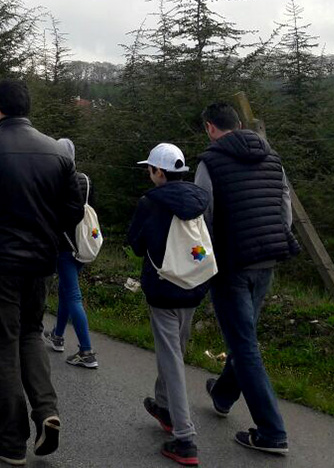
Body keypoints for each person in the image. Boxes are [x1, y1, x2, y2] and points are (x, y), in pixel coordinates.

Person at [0, 79, 83, 465]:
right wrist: (46, 233)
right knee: (30, 333)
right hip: (39, 263)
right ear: (27, 109)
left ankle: (10, 439)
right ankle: (46, 410)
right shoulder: (57, 153)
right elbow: (73, 210)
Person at [196, 103, 295, 455]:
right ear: (238, 124)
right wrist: (278, 237)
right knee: (245, 336)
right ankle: (222, 394)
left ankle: (272, 431)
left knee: (244, 345)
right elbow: (285, 206)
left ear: (210, 127)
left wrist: (203, 262)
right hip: (267, 258)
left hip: (232, 264)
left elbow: (203, 213)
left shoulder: (210, 162)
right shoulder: (272, 158)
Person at [128, 143, 213, 467]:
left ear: (159, 172)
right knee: (177, 345)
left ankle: (184, 437)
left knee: (171, 357)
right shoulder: (198, 199)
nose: (148, 174)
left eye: (150, 169)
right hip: (194, 282)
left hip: (164, 288)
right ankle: (164, 407)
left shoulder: (150, 203)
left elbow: (136, 245)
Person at [42, 137, 98, 369]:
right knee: (66, 291)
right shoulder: (85, 180)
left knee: (72, 295)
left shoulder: (55, 181)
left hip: (63, 246)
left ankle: (86, 351)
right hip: (82, 244)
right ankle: (57, 335)